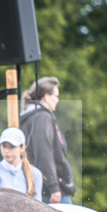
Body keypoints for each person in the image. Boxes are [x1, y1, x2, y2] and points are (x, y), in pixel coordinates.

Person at [19, 76, 76, 204]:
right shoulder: (42, 117)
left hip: (40, 185)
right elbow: (44, 154)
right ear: (46, 96)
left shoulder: (32, 115)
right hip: (50, 191)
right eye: (56, 96)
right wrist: (54, 187)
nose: (58, 100)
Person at [0, 127, 43, 201]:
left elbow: (38, 206)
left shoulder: (35, 174)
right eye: (4, 146)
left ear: (22, 148)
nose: (7, 151)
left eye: (12, 147)